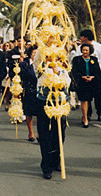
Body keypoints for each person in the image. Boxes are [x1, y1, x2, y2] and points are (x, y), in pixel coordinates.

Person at [35, 51, 71, 180]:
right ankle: (46, 166)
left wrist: (59, 72)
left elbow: (67, 84)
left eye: (55, 57)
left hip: (60, 105)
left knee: (59, 135)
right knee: (44, 136)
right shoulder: (41, 70)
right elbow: (38, 57)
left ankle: (56, 160)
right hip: (44, 104)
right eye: (49, 57)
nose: (52, 59)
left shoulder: (63, 71)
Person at [78, 29, 101, 121]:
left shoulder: (98, 46)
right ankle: (87, 114)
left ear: (86, 37)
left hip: (95, 75)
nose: (81, 38)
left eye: (82, 36)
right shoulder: (80, 47)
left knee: (98, 95)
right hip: (84, 76)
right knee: (86, 97)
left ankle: (100, 112)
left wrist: (99, 71)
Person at [71, 43, 101, 127]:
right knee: (84, 100)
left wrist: (92, 77)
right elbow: (74, 71)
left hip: (91, 83)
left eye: (86, 50)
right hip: (81, 83)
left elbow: (98, 72)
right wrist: (82, 77)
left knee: (88, 100)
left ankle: (85, 115)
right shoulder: (77, 59)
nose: (85, 52)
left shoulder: (94, 59)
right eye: (83, 50)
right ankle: (85, 118)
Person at [19, 45, 38, 141]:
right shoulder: (25, 64)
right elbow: (21, 76)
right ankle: (31, 132)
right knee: (29, 112)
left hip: (40, 90)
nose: (35, 55)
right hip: (28, 90)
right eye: (34, 53)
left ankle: (40, 133)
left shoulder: (43, 64)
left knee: (40, 113)